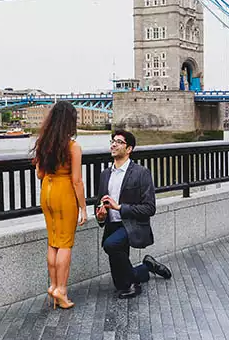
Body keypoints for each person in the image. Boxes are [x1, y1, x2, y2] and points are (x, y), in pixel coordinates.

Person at [94, 130, 171, 299]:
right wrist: (100, 215)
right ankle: (147, 267)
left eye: (119, 142)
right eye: (112, 141)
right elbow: (99, 203)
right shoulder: (105, 174)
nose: (113, 144)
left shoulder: (141, 173)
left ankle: (134, 286)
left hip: (133, 225)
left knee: (110, 245)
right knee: (119, 283)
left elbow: (149, 208)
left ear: (129, 149)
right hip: (112, 225)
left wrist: (120, 207)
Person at [32, 101, 87, 310]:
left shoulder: (43, 143)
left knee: (53, 241)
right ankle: (61, 290)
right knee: (65, 243)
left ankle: (53, 285)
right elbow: (76, 181)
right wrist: (83, 207)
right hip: (64, 193)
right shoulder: (72, 147)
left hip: (47, 191)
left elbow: (39, 174)